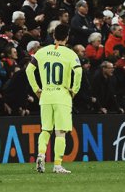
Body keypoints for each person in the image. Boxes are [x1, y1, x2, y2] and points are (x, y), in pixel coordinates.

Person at [26, 23, 82, 174]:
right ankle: (57, 165)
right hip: (62, 96)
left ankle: (41, 155)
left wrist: (36, 89)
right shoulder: (71, 54)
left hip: (46, 96)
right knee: (60, 132)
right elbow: (78, 72)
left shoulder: (42, 52)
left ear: (53, 36)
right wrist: (74, 90)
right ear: (67, 37)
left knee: (45, 130)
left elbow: (29, 70)